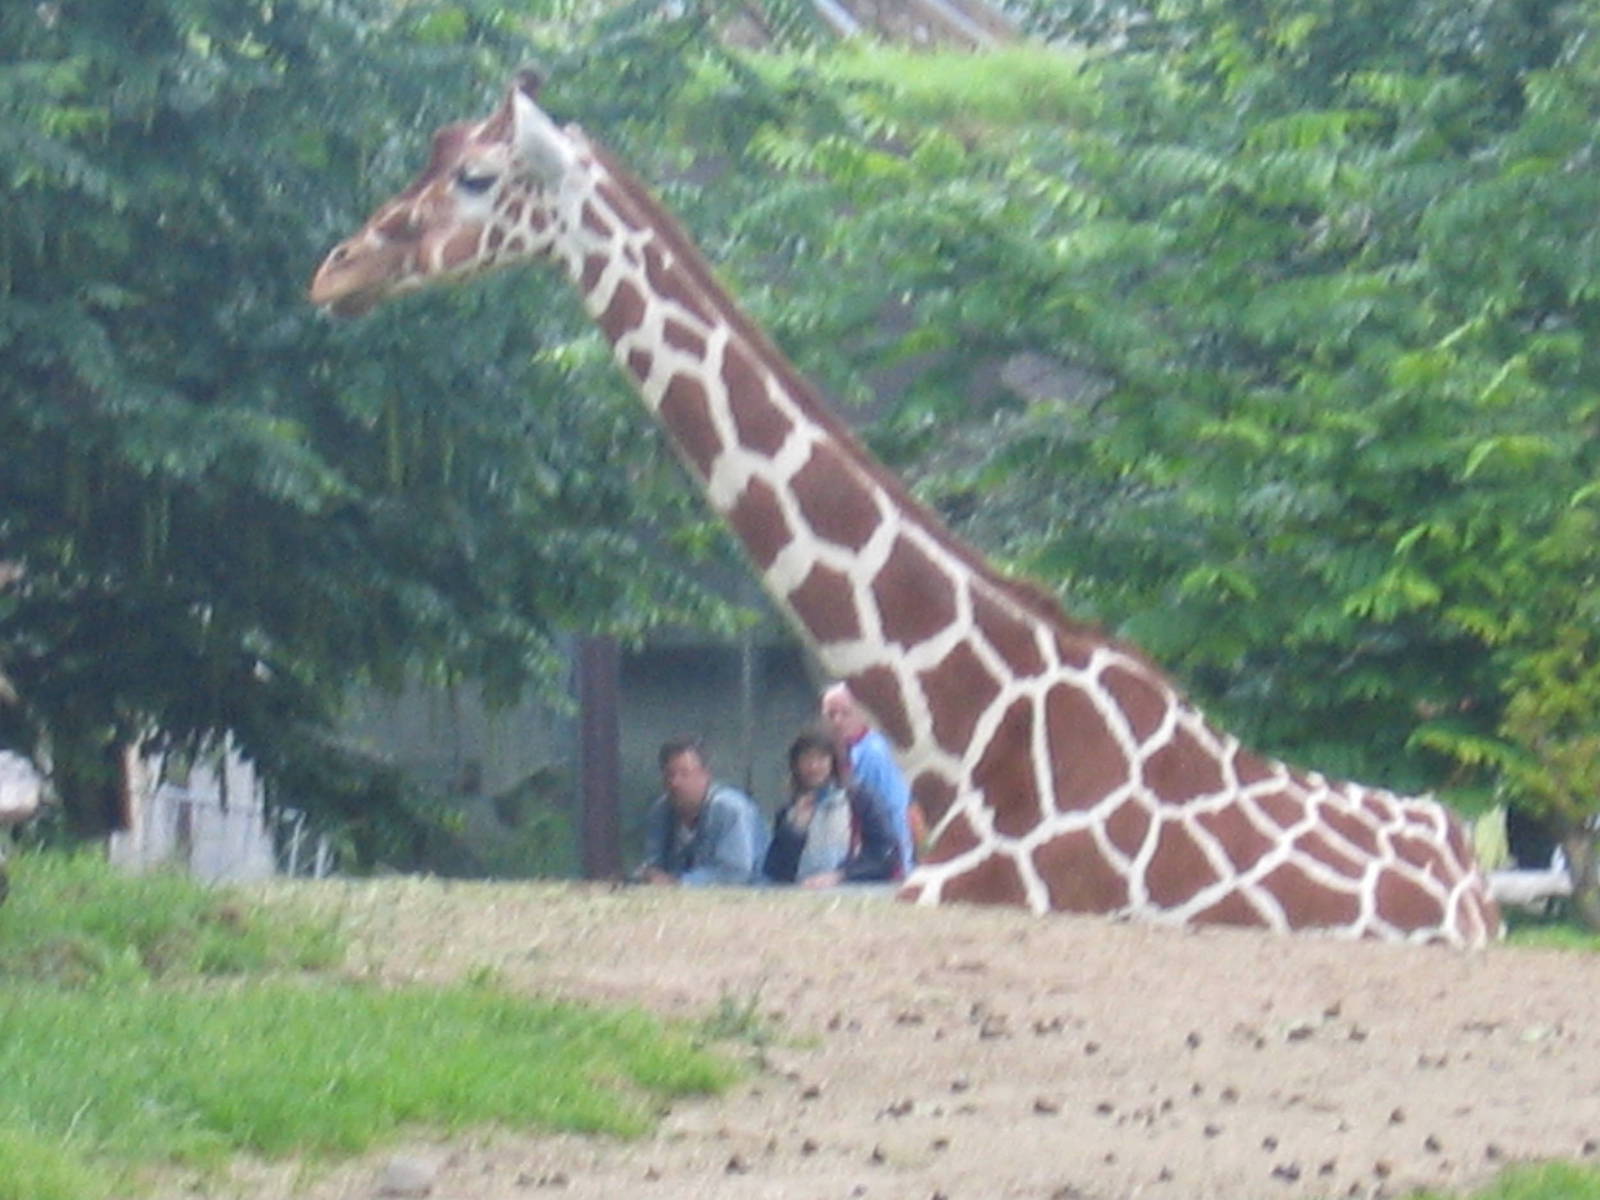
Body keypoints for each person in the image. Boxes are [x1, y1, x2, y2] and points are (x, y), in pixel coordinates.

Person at [764, 728, 901, 888]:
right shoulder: (789, 809)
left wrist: (841, 876)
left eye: (821, 758)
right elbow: (776, 872)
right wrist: (794, 832)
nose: (813, 767)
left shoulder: (860, 800)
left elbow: (885, 856)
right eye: (806, 759)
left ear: (833, 762)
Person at [639, 736, 766, 886]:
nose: (675, 783)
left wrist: (679, 883)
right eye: (669, 774)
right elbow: (654, 864)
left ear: (705, 775)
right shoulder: (660, 811)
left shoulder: (731, 809)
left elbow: (735, 873)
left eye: (684, 774)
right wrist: (650, 873)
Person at [821, 682, 919, 872]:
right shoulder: (833, 750)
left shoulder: (873, 751)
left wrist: (902, 862)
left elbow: (895, 806)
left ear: (862, 713)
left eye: (845, 713)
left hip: (883, 853)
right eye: (831, 714)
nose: (837, 721)